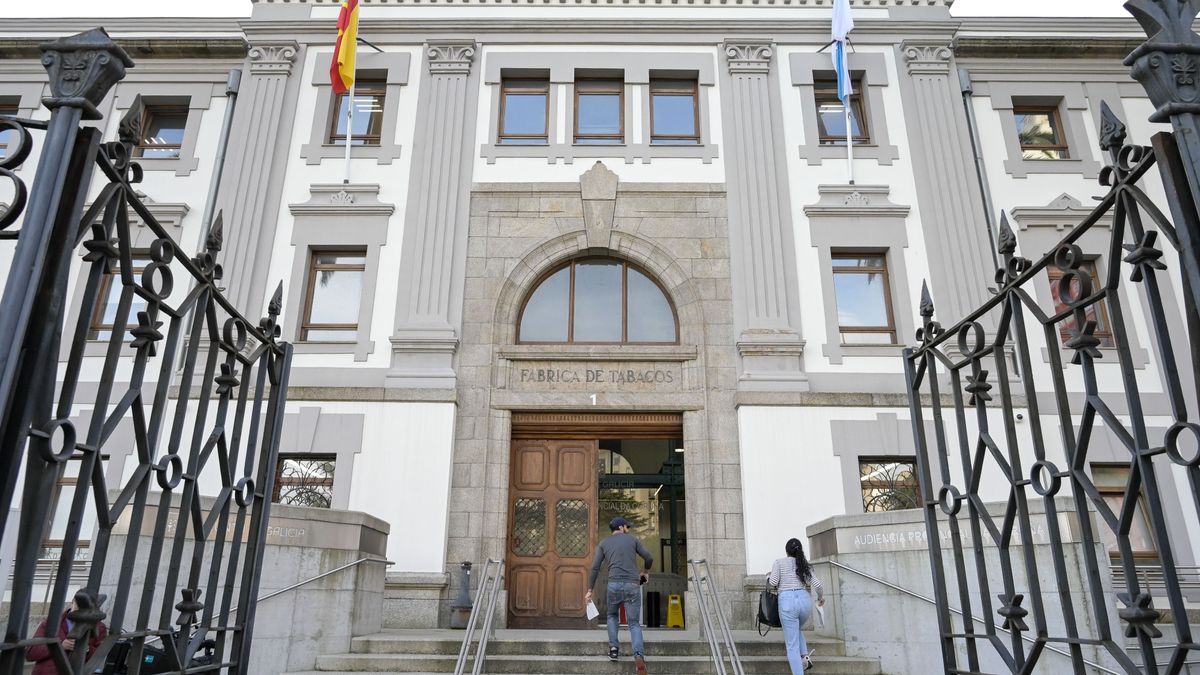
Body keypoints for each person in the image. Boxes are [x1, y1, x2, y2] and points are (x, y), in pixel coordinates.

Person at [586, 516, 653, 675]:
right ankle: (638, 655)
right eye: (627, 527)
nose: (628, 529)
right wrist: (645, 572)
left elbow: (595, 568)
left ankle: (614, 649)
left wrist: (590, 589)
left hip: (614, 585)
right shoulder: (633, 540)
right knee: (634, 623)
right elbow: (649, 557)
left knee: (612, 616)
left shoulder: (604, 543)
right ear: (621, 527)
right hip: (632, 584)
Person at [768, 538, 825, 673]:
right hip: (804, 602)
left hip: (788, 602)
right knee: (796, 628)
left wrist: (768, 577)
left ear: (786, 551)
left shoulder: (779, 562)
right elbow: (817, 585)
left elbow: (773, 582)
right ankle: (805, 657)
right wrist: (820, 598)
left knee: (792, 646)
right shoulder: (804, 564)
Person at [26, 588, 109, 675]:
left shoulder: (99, 627)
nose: (81, 611)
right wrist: (60, 646)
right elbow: (31, 653)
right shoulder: (52, 623)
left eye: (85, 608)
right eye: (78, 606)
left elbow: (100, 657)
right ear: (72, 602)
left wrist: (86, 649)